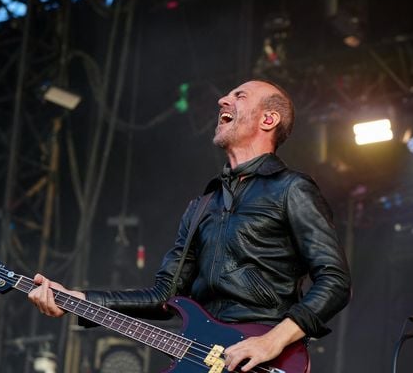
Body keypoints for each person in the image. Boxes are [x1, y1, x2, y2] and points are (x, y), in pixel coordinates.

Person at [28, 80, 351, 372]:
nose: (222, 100)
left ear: (269, 119)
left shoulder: (291, 188)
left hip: (263, 355)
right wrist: (78, 298)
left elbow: (335, 281)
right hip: (205, 355)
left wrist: (273, 341)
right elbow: (164, 296)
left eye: (239, 96)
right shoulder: (201, 206)